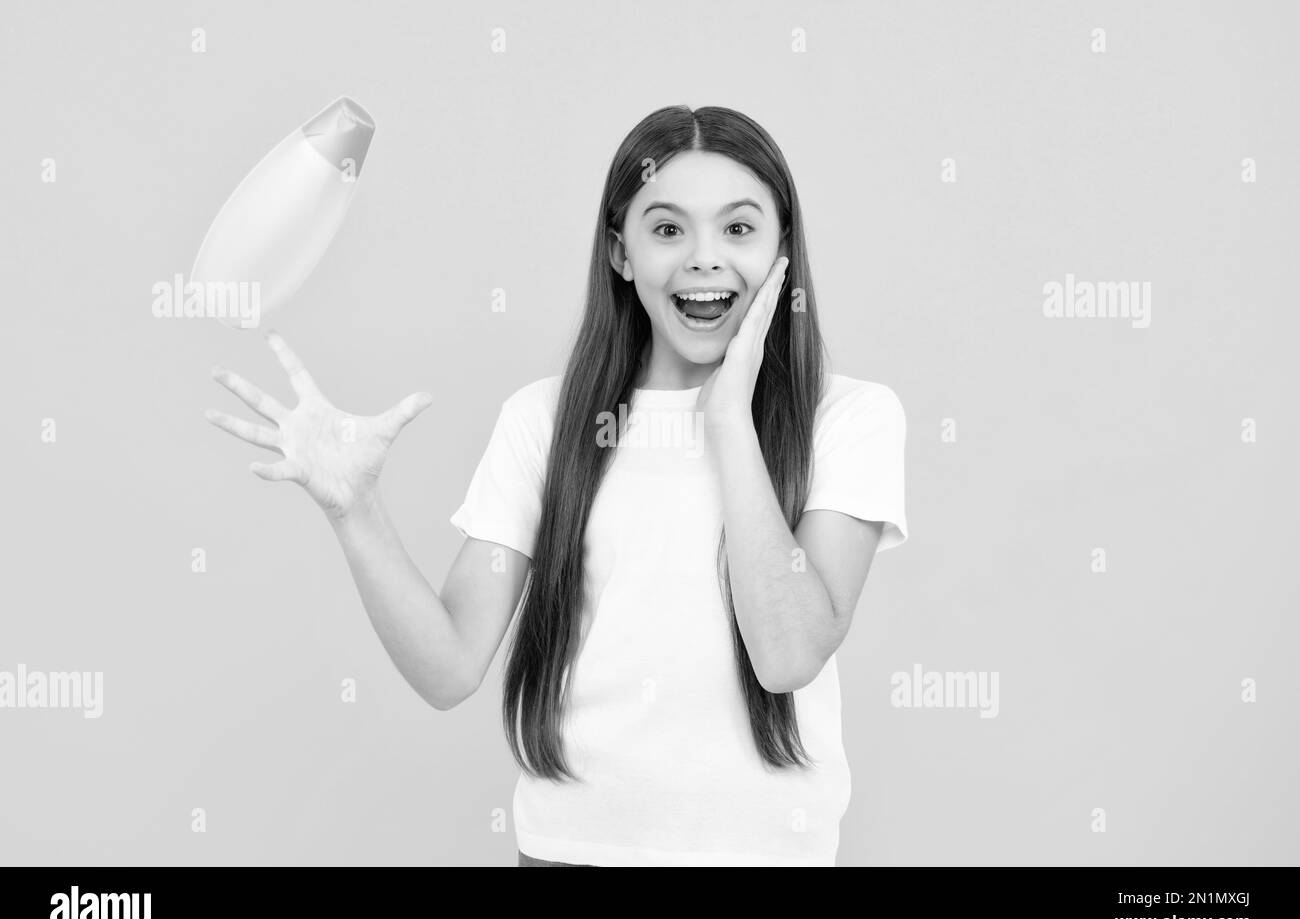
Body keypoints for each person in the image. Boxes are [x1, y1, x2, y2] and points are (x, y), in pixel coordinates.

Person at [205, 104, 908, 867]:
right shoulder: (545, 420)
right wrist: (355, 509)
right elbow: (448, 668)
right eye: (667, 229)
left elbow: (788, 653)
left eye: (738, 229)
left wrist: (731, 419)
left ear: (782, 252)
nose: (705, 258)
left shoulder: (849, 418)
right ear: (621, 252)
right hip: (569, 852)